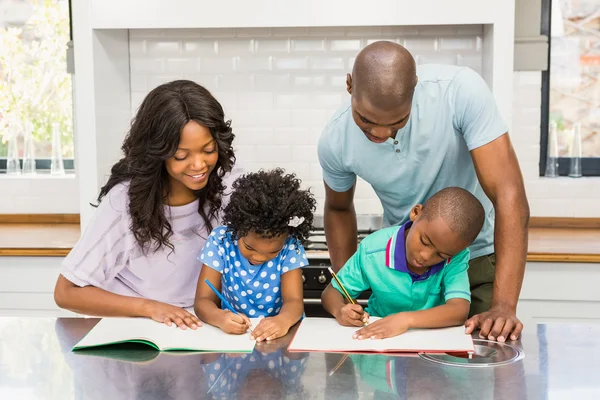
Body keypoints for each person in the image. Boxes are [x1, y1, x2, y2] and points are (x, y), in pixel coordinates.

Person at [318, 41, 529, 342]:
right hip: (402, 271)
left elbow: (509, 194)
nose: (380, 134)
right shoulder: (335, 140)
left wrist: (504, 305)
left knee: (479, 371)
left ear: (415, 89)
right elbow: (338, 208)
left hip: (477, 258)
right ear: (349, 86)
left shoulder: (459, 92)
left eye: (397, 122)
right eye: (365, 120)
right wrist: (347, 289)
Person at [54, 80, 240, 330]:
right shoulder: (124, 203)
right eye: (182, 156)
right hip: (138, 328)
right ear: (157, 152)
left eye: (208, 150)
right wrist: (150, 307)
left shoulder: (227, 187)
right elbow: (67, 292)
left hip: (199, 326)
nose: (199, 165)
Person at [322, 187, 484, 339]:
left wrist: (405, 320)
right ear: (415, 213)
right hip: (378, 340)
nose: (425, 256)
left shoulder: (456, 256)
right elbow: (331, 293)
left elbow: (458, 310)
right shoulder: (373, 249)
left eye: (441, 254)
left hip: (431, 342)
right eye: (424, 241)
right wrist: (339, 310)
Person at [194, 168, 316, 342]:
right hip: (234, 339)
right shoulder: (221, 241)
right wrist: (219, 317)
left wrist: (283, 320)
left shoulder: (290, 245)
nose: (259, 257)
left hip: (280, 337)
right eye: (249, 247)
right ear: (237, 229)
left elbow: (294, 301)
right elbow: (203, 301)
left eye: (273, 251)